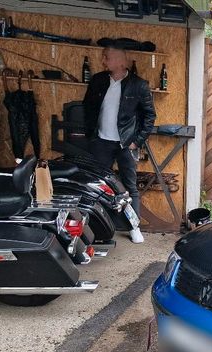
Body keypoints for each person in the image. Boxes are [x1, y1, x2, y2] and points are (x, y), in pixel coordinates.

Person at [82, 44, 155, 244]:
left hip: (126, 144)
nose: (103, 61)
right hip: (101, 142)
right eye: (104, 57)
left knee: (130, 186)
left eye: (107, 57)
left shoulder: (139, 85)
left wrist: (136, 141)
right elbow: (87, 107)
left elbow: (149, 117)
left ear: (121, 61)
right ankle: (95, 227)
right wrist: (91, 135)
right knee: (97, 185)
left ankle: (134, 227)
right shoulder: (98, 81)